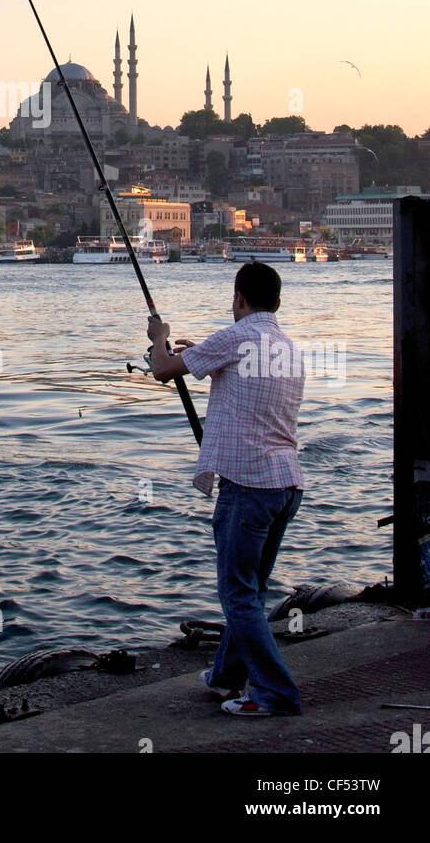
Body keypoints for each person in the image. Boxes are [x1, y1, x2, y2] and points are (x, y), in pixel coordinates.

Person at [146, 261, 305, 717]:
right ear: (276, 301)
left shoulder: (236, 337)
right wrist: (202, 353)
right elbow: (241, 375)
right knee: (251, 592)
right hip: (286, 485)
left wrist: (161, 334)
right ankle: (224, 677)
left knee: (237, 596)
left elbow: (162, 369)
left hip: (248, 486)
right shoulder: (285, 347)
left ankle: (275, 693)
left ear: (239, 298)